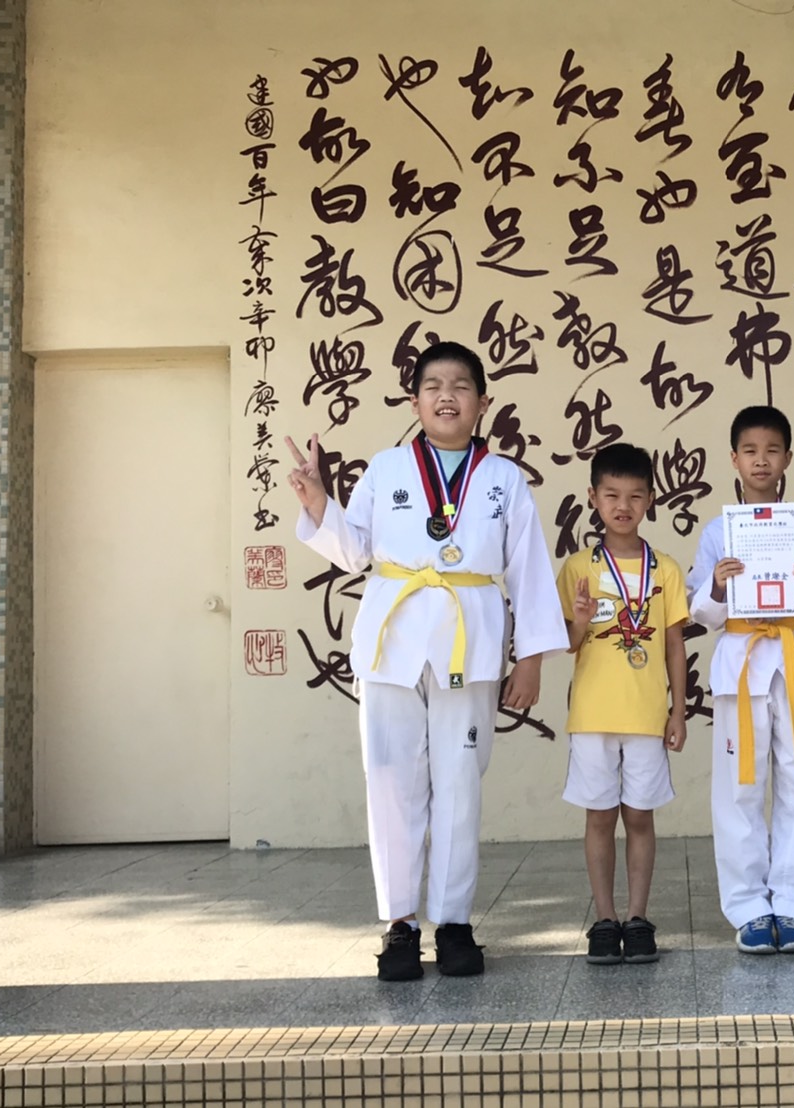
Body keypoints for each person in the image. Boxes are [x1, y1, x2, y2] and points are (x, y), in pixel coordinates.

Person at [287, 340, 568, 980]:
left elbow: (528, 572)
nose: (447, 396)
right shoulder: (386, 468)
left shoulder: (503, 479)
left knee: (460, 782)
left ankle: (455, 921)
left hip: (470, 641)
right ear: (414, 401)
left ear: (483, 403)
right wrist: (318, 504)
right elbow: (354, 552)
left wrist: (531, 659)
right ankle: (400, 924)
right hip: (392, 642)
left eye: (461, 386)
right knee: (390, 780)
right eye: (433, 386)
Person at [687, 406, 794, 954]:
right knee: (739, 787)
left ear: (787, 459)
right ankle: (749, 908)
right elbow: (701, 610)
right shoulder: (718, 532)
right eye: (750, 451)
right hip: (741, 664)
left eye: (772, 450)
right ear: (734, 459)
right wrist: (716, 584)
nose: (761, 460)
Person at [556, 443, 689, 966]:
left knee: (639, 817)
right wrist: (580, 619)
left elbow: (674, 644)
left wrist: (678, 711)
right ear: (593, 498)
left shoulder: (665, 569)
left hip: (647, 715)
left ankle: (637, 918)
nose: (623, 506)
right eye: (611, 495)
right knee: (599, 817)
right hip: (593, 715)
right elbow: (569, 643)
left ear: (650, 500)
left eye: (635, 496)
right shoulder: (578, 568)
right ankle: (605, 919)